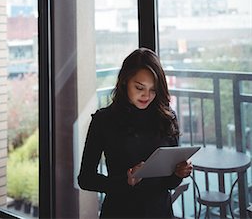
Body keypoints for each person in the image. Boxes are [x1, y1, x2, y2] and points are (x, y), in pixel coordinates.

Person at [78, 47, 193, 219]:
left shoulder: (166, 118)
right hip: (120, 211)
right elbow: (86, 179)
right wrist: (126, 181)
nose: (146, 95)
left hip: (159, 212)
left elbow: (168, 183)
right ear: (125, 81)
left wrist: (179, 174)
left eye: (153, 90)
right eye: (139, 87)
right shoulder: (104, 120)